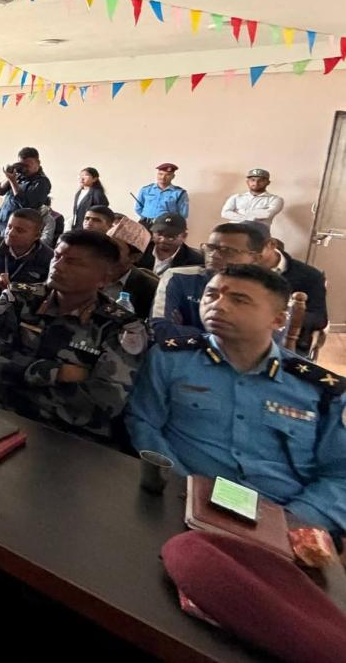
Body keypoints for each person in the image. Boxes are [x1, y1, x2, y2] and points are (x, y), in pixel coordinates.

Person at [126, 264, 346, 536]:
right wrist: (181, 488)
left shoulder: (321, 389)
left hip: (285, 524)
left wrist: (289, 522)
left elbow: (340, 476)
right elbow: (144, 424)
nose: (218, 305)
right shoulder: (170, 359)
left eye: (239, 300)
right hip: (182, 506)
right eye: (211, 295)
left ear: (278, 319)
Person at [0, 230, 149, 444]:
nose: (58, 266)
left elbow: (104, 402)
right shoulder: (18, 298)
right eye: (57, 256)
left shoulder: (121, 326)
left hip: (71, 437)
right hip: (3, 416)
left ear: (104, 279)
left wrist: (19, 379)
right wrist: (58, 373)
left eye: (73, 262)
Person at [151, 222, 265, 331]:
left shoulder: (267, 291)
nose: (214, 255)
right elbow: (161, 328)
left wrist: (187, 331)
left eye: (227, 250)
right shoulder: (179, 277)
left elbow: (257, 340)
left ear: (255, 258)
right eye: (210, 247)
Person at [259, 236, 328, 353]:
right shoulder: (233, 268)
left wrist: (288, 316)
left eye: (252, 250)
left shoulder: (310, 275)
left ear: (271, 244)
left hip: (288, 343)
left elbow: (319, 318)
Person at [0, 208, 53, 295]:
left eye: (19, 230)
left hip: (26, 302)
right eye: (9, 227)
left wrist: (16, 287)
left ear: (37, 235)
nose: (10, 233)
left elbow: (46, 291)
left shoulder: (49, 258)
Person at [105, 216, 160, 317]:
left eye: (115, 248)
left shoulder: (150, 289)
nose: (105, 252)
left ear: (134, 257)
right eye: (104, 245)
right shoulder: (86, 272)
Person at [0, 146, 51, 235]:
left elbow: (26, 205)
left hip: (19, 229)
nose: (24, 168)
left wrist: (13, 181)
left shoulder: (42, 182)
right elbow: (0, 191)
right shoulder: (19, 176)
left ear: (38, 163)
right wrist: (8, 176)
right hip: (3, 224)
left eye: (27, 165)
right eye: (22, 165)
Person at [135, 213, 203, 274]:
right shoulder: (139, 250)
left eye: (171, 236)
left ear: (184, 236)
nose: (163, 239)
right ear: (152, 233)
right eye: (159, 234)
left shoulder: (195, 263)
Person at [71, 167, 109, 231]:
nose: (82, 178)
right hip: (78, 226)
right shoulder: (79, 193)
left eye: (86, 175)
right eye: (80, 175)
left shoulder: (97, 193)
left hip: (90, 228)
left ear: (94, 179)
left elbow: (102, 212)